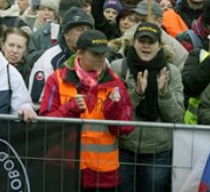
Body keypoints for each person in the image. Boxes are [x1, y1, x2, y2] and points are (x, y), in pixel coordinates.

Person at [39, 29, 134, 191]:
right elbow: (45, 124)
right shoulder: (57, 80)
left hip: (103, 173)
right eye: (95, 54)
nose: (101, 59)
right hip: (64, 168)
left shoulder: (115, 84)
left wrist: (113, 111)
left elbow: (126, 128)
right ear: (80, 53)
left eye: (103, 54)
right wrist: (70, 109)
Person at [110, 22, 184, 192]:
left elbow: (177, 117)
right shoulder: (119, 68)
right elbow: (113, 113)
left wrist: (164, 93)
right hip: (124, 149)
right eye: (141, 41)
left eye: (151, 42)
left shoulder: (172, 72)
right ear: (133, 42)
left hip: (158, 152)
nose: (146, 46)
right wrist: (136, 94)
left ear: (159, 46)